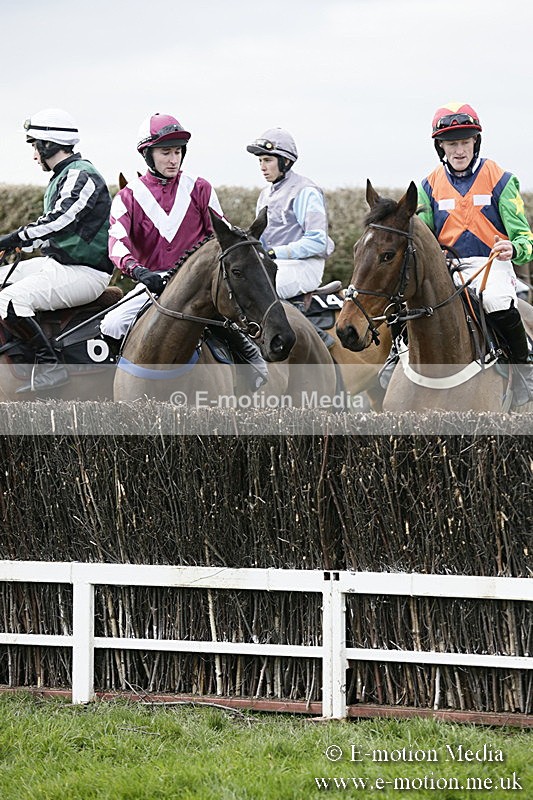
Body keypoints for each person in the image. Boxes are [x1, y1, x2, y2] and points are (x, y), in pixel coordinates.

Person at [101, 112, 267, 387]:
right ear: (148, 155)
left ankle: (252, 361)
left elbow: (222, 234)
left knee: (227, 316)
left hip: (197, 284)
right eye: (166, 152)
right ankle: (114, 383)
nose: (173, 159)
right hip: (152, 284)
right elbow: (116, 243)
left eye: (178, 152)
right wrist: (139, 271)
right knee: (112, 324)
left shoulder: (200, 188)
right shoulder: (128, 197)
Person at [417, 101, 533, 400]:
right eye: (451, 143)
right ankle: (398, 359)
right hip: (448, 267)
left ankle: (524, 372)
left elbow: (525, 239)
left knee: (494, 299)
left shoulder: (502, 179)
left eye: (465, 142)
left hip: (490, 264)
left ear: (475, 142)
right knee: (416, 299)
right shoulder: (427, 186)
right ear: (440, 147)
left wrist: (514, 247)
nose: (459, 150)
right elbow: (424, 236)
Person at [0, 108, 112, 392]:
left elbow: (60, 220)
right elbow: (56, 233)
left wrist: (11, 238)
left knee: (10, 300)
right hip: (59, 265)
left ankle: (49, 365)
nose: (35, 155)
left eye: (35, 146)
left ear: (48, 145)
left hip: (86, 273)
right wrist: (18, 245)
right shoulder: (64, 176)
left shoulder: (81, 175)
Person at [246, 127, 335, 346]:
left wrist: (276, 252)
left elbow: (317, 240)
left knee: (261, 289)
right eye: (260, 161)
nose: (262, 167)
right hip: (277, 264)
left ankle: (318, 338)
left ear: (285, 161)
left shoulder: (306, 191)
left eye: (267, 160)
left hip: (305, 266)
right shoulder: (264, 195)